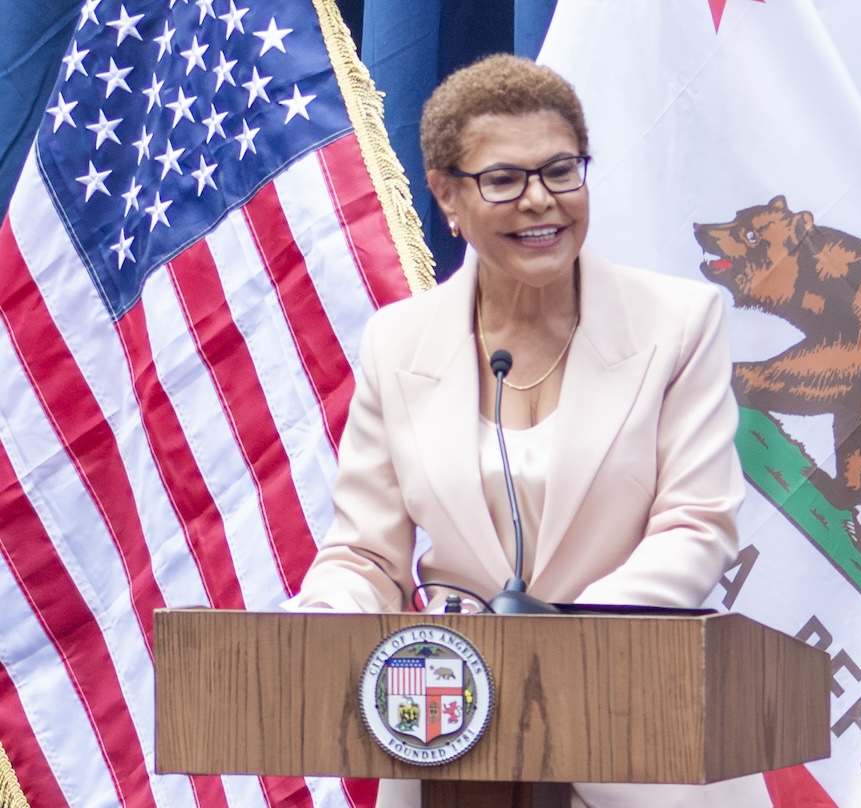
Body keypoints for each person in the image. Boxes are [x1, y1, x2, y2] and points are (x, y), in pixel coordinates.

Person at [296, 54, 760, 807]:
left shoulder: (679, 323)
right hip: (450, 740)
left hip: (635, 735)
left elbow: (696, 524)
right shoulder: (397, 341)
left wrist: (553, 646)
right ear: (447, 195)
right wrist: (317, 622)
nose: (541, 201)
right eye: (504, 179)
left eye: (561, 171)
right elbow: (367, 554)